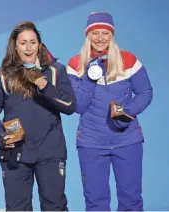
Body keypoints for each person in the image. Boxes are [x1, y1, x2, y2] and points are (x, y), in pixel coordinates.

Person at [0, 21, 76, 211]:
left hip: (50, 151)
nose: (28, 48)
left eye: (33, 42)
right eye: (23, 43)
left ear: (39, 44)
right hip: (16, 151)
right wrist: (0, 137)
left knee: (55, 206)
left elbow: (70, 105)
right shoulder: (2, 74)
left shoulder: (55, 70)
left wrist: (44, 85)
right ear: (15, 45)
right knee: (17, 208)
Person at [67, 12, 153, 211]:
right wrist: (90, 76)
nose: (99, 38)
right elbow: (78, 106)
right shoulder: (75, 64)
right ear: (87, 35)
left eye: (105, 33)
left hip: (128, 141)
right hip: (91, 143)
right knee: (96, 202)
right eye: (94, 33)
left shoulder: (128, 59)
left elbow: (145, 92)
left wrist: (126, 112)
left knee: (131, 201)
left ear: (112, 34)